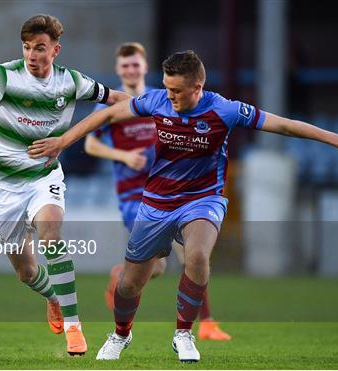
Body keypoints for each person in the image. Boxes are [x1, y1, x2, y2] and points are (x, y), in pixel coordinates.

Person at [27, 50, 338, 362]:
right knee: (129, 285)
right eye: (167, 88)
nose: (171, 96)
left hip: (203, 199)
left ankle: (183, 334)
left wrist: (337, 140)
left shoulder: (224, 109)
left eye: (177, 90)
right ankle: (120, 335)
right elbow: (105, 117)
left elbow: (283, 125)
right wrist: (62, 140)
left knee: (196, 256)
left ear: (198, 86)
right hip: (156, 203)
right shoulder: (155, 101)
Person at [0, 14, 129, 356]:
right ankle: (54, 298)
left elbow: (117, 99)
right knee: (26, 271)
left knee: (51, 236)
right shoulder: (2, 77)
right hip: (2, 185)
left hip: (44, 177)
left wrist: (161, 107)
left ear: (55, 50)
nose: (31, 54)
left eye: (39, 48)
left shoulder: (71, 82)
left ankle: (74, 328)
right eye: (27, 47)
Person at [84, 42, 230, 341]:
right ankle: (122, 276)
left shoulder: (164, 96)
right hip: (132, 194)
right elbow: (91, 144)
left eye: (135, 65)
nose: (130, 70)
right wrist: (123, 157)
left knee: (192, 253)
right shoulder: (110, 104)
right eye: (125, 66)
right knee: (160, 266)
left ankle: (207, 322)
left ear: (144, 66)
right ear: (118, 69)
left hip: (174, 190)